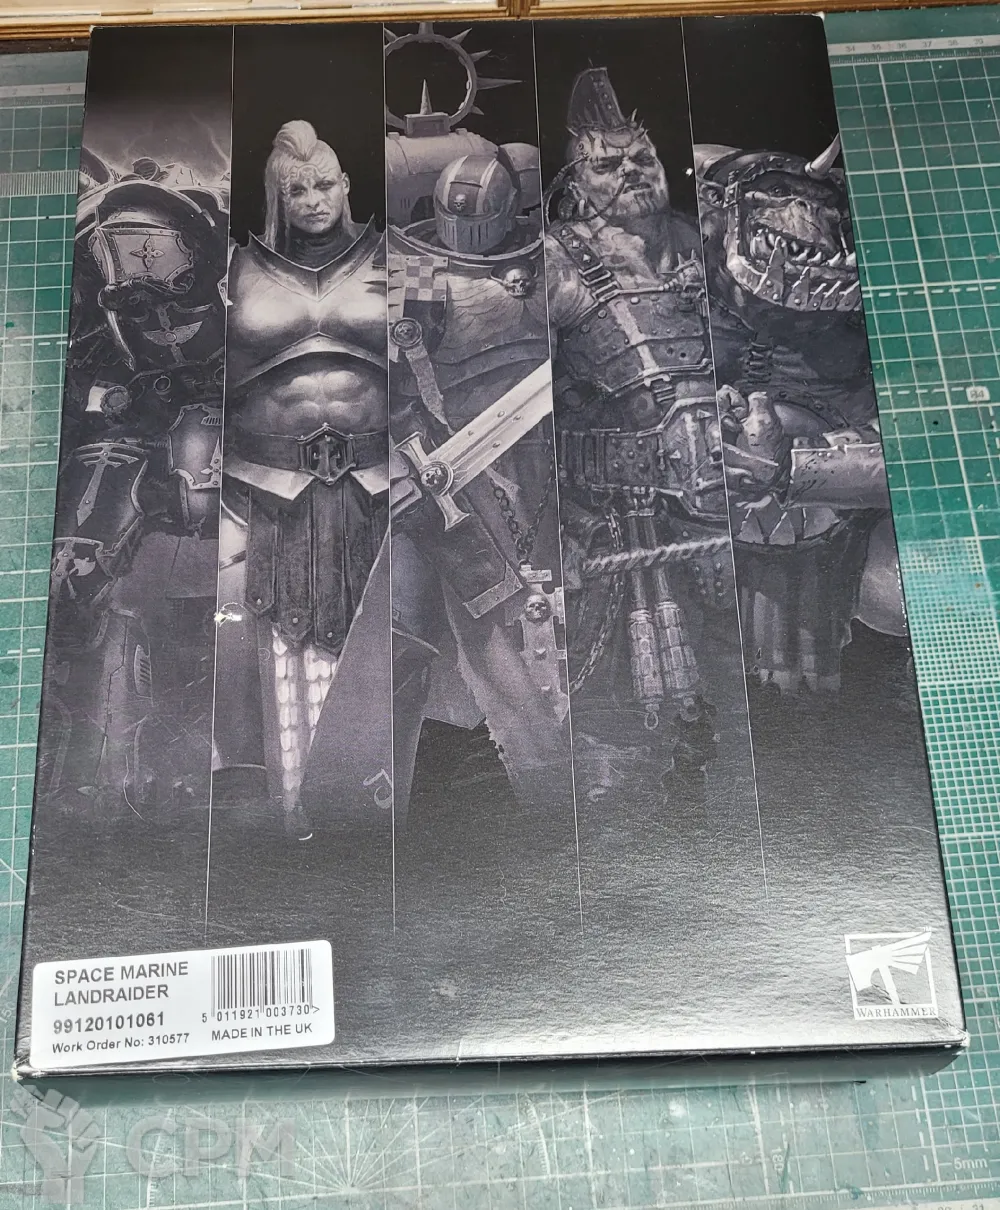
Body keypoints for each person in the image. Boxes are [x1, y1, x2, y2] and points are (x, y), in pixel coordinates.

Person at [544, 68, 731, 799]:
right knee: (616, 699)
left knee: (727, 677)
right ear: (575, 181)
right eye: (606, 164)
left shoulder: (706, 243)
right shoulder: (555, 257)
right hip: (607, 512)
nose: (631, 171)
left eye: (643, 158)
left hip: (716, 500)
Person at [213, 120, 389, 819]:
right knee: (269, 644)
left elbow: (438, 352)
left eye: (323, 185)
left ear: (346, 185)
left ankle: (372, 809)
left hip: (380, 482)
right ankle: (288, 809)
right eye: (296, 191)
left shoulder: (397, 257)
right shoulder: (234, 270)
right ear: (277, 198)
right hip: (265, 487)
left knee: (385, 643)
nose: (313, 201)